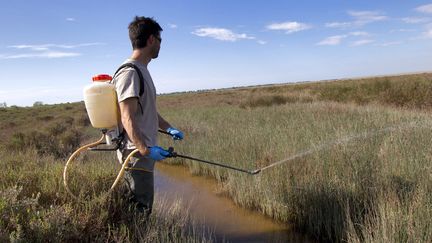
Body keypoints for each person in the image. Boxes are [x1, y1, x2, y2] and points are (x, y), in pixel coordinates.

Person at [112, 16, 184, 217]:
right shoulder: (130, 72)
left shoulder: (142, 70)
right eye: (160, 40)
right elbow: (127, 117)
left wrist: (169, 128)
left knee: (140, 209)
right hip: (136, 156)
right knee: (140, 213)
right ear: (151, 39)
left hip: (142, 154)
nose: (161, 45)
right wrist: (145, 150)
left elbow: (147, 110)